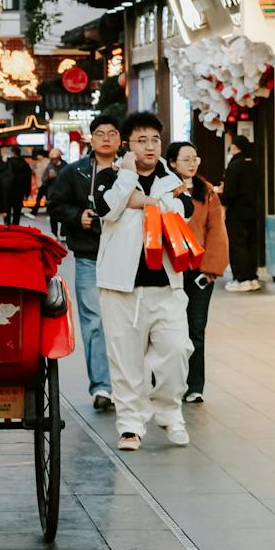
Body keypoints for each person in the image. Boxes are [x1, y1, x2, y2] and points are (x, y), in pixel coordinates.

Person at [94, 112, 194, 450]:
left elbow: (184, 210)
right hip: (120, 286)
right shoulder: (109, 176)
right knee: (125, 360)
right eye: (141, 140)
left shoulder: (172, 178)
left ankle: (169, 412)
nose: (149, 146)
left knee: (177, 350)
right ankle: (130, 426)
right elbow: (107, 209)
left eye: (154, 140)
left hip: (167, 285)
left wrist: (145, 201)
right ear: (127, 145)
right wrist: (127, 179)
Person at [46, 114, 123, 411]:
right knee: (95, 322)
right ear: (91, 139)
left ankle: (131, 381)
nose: (106, 138)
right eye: (100, 133)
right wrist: (77, 217)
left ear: (120, 140)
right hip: (89, 256)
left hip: (127, 257)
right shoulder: (74, 172)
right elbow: (55, 204)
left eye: (112, 133)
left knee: (128, 321)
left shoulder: (130, 171)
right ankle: (102, 387)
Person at [167, 141, 229, 405]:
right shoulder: (163, 190)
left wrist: (212, 269)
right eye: (185, 159)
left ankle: (195, 386)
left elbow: (217, 231)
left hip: (199, 272)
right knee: (168, 331)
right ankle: (168, 384)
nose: (192, 164)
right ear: (172, 163)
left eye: (195, 158)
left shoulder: (207, 191)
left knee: (196, 329)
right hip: (169, 270)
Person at [222, 135, 263, 291]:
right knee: (251, 243)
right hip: (253, 210)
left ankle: (241, 279)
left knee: (237, 244)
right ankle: (252, 277)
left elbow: (230, 191)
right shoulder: (254, 164)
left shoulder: (235, 164)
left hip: (237, 212)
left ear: (235, 147)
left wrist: (223, 201)